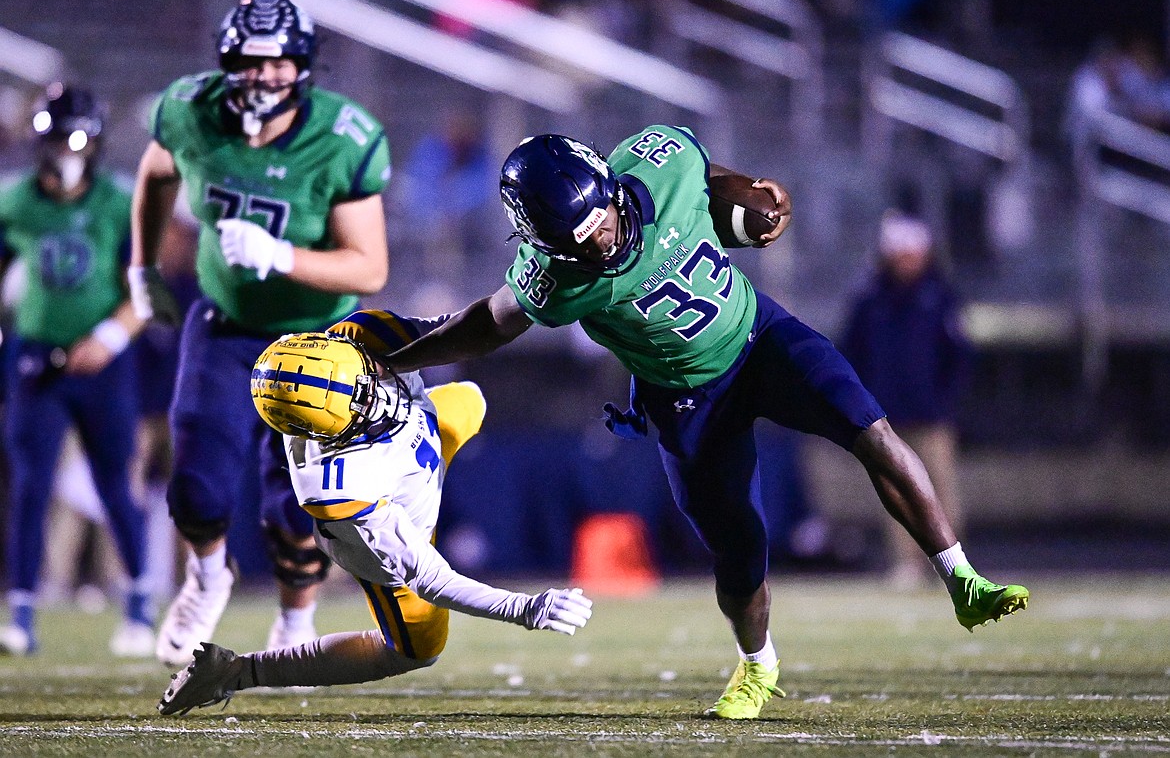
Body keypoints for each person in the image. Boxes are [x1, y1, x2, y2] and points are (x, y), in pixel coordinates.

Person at [367, 128, 1029, 720]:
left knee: (872, 431)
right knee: (739, 549)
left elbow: (708, 178)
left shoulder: (659, 162)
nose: (603, 238)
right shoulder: (553, 279)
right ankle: (758, 662)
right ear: (543, 243)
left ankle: (962, 578)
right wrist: (400, 356)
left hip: (761, 337)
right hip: (685, 397)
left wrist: (755, 198)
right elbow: (487, 323)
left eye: (603, 218)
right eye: (579, 238)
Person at [127, 0, 392, 665]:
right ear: (226, 61)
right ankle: (208, 575)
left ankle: (294, 620)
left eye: (277, 62)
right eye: (249, 60)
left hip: (319, 341)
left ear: (302, 66)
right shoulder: (192, 111)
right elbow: (155, 171)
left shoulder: (340, 137)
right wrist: (142, 267)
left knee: (295, 507)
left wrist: (283, 256)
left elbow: (372, 265)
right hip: (226, 324)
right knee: (194, 484)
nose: (262, 75)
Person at [157, 320, 592, 714]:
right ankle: (239, 672)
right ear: (323, 430)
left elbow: (453, 331)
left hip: (420, 448)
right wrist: (526, 608)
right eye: (358, 402)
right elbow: (432, 580)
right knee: (417, 651)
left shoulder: (358, 335)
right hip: (396, 522)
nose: (374, 394)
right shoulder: (337, 488)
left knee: (470, 399)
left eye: (363, 376)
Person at [0, 83, 154, 656]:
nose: (67, 146)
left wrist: (109, 337)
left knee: (116, 484)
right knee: (31, 487)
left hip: (104, 364)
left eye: (76, 135)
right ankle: (21, 612)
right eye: (57, 136)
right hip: (37, 359)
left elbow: (145, 290)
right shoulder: (14, 201)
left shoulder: (118, 201)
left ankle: (138, 605)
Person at [840, 209, 973, 590]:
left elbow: (960, 355)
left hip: (932, 415)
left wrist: (946, 400)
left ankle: (953, 565)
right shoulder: (869, 299)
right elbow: (851, 352)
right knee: (897, 491)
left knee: (942, 489)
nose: (907, 261)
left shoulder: (940, 297)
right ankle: (907, 564)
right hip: (886, 417)